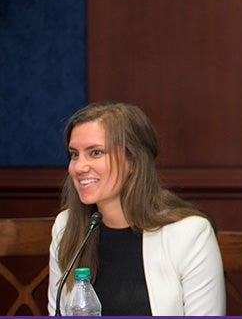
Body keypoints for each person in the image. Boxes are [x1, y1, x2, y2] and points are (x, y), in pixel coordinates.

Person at [47, 101, 225, 315]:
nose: (79, 167)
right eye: (74, 154)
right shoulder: (66, 226)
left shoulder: (190, 234)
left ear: (133, 160)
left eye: (95, 153)